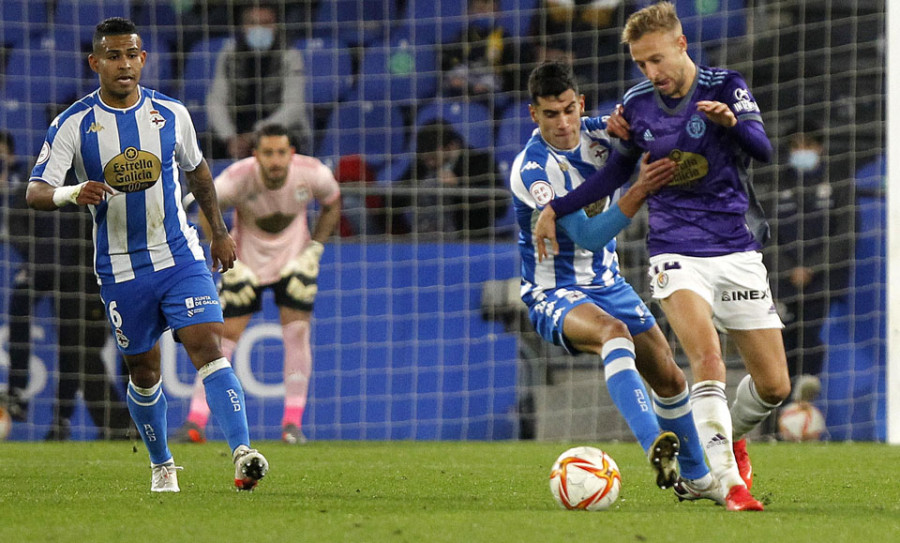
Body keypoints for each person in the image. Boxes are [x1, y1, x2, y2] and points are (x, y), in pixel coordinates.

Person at [532, 2, 788, 511]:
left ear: (681, 45)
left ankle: (729, 439)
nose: (650, 73)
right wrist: (555, 209)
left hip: (735, 247)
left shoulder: (725, 86)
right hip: (674, 250)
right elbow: (613, 176)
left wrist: (732, 123)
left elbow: (763, 150)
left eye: (656, 60)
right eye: (640, 64)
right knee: (707, 357)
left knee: (775, 386)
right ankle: (724, 483)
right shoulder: (638, 104)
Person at [26, 17, 267, 493]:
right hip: (120, 267)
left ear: (144, 58)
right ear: (95, 62)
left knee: (207, 346)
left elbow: (198, 171)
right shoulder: (73, 123)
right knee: (144, 370)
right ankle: (162, 464)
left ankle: (243, 452)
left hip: (179, 254)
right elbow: (36, 191)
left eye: (132, 55)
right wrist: (71, 194)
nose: (124, 64)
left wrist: (219, 232)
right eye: (113, 56)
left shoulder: (172, 113)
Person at [511, 61, 723, 503]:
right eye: (551, 114)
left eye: (569, 109)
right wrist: (638, 190)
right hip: (554, 292)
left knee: (668, 376)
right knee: (614, 334)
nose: (564, 122)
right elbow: (588, 235)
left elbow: (658, 128)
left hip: (609, 284)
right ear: (534, 115)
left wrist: (713, 122)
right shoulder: (534, 170)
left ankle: (698, 480)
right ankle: (653, 445)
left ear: (580, 103)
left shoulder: (599, 133)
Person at [175, 123, 341, 445]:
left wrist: (314, 251)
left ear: (292, 153)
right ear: (256, 155)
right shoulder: (239, 177)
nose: (276, 161)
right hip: (244, 264)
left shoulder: (313, 173)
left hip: (294, 262)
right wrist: (223, 252)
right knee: (222, 342)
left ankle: (292, 425)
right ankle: (196, 422)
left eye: (281, 153)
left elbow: (333, 202)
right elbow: (205, 210)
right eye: (268, 153)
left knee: (297, 334)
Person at [1, 131, 133, 440]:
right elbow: (20, 214)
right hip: (58, 272)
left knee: (100, 348)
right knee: (77, 348)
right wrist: (37, 254)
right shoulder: (45, 172)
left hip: (91, 276)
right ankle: (103, 422)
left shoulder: (99, 175)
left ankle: (116, 422)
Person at [774, 121, 854, 384]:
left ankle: (806, 415)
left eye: (807, 144)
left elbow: (846, 233)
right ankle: (776, 419)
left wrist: (811, 268)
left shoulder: (839, 183)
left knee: (812, 352)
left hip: (823, 286)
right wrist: (787, 269)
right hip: (781, 287)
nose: (801, 151)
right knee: (779, 356)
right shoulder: (774, 184)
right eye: (795, 146)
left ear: (819, 147)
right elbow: (760, 234)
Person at [207, 3, 312, 159]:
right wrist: (229, 137)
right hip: (236, 132)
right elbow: (215, 102)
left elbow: (294, 107)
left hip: (278, 129)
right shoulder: (229, 54)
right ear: (242, 26)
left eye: (266, 23)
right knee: (208, 144)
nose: (259, 29)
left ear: (276, 25)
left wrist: (258, 134)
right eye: (253, 23)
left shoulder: (290, 54)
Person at [387, 120, 509, 238]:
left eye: (434, 158)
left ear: (452, 147)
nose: (430, 164)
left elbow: (500, 208)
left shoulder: (480, 162)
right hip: (427, 241)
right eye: (426, 159)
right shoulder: (422, 166)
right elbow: (394, 200)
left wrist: (459, 186)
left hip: (471, 242)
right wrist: (419, 189)